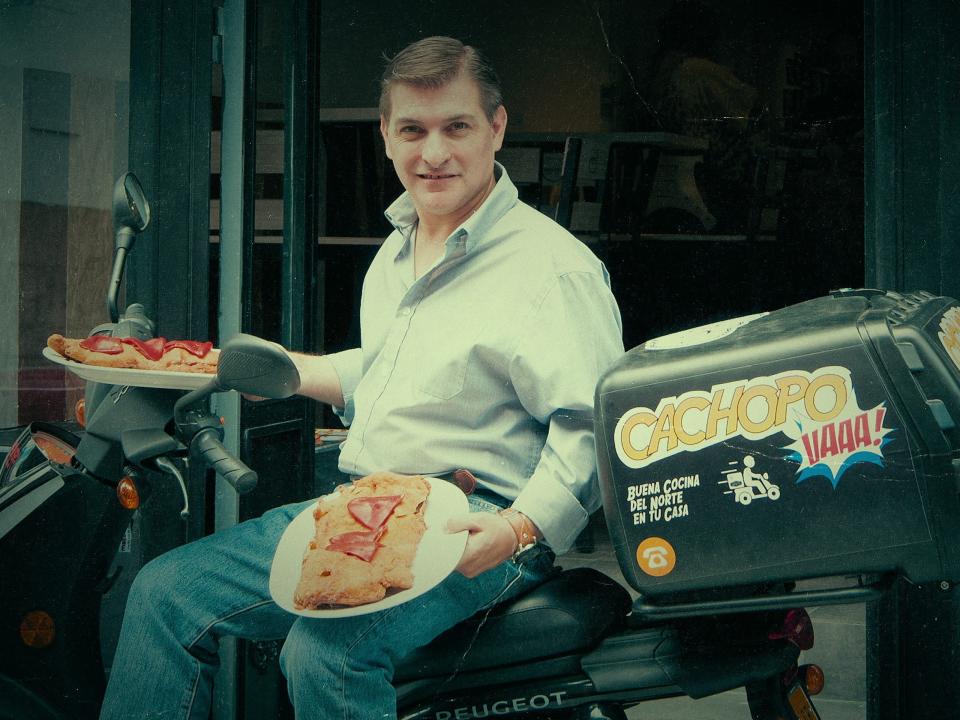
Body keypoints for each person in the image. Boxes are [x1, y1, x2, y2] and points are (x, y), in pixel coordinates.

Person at [100, 36, 623, 720]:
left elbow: (591, 425)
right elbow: (388, 372)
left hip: (480, 521)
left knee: (326, 654)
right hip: (369, 507)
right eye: (413, 130)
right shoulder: (399, 249)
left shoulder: (554, 270)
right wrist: (284, 372)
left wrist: (521, 528)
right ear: (385, 136)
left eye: (455, 127)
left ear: (496, 127)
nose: (433, 154)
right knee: (165, 594)